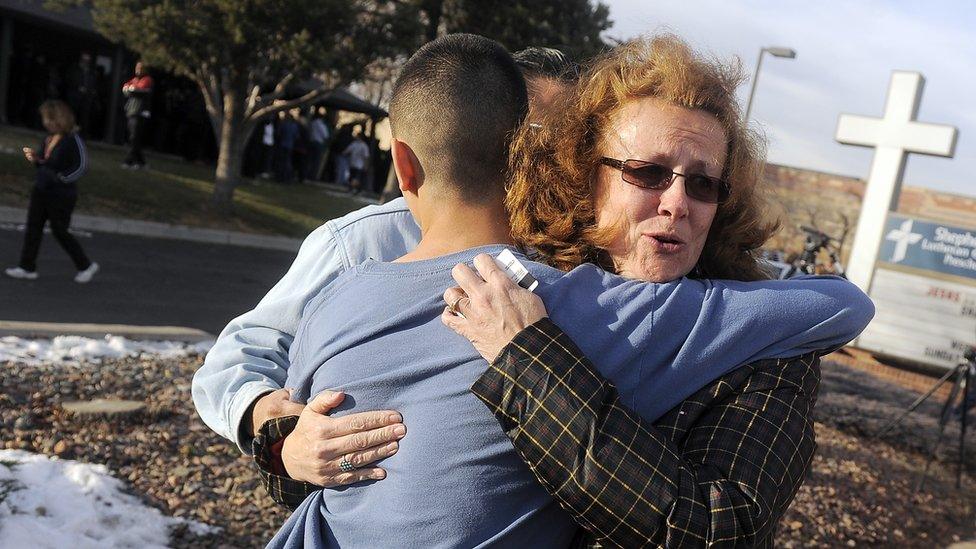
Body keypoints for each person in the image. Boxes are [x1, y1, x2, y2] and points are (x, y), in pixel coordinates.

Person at [191, 36, 868, 546]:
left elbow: (713, 528)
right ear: (585, 170)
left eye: (704, 183)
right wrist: (282, 444)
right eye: (648, 172)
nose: (676, 203)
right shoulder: (471, 266)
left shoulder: (762, 345)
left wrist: (530, 360)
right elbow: (338, 436)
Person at [5, 100, 99, 284]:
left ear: (60, 119)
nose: (46, 123)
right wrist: (36, 159)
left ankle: (85, 264)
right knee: (34, 227)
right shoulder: (49, 138)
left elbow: (81, 166)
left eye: (49, 119)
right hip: (42, 189)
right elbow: (45, 161)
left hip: (61, 194)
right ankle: (27, 266)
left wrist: (62, 178)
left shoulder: (73, 140)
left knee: (59, 230)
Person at [121, 61, 153, 169]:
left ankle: (129, 161)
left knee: (134, 138)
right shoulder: (135, 79)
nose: (137, 70)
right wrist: (130, 88)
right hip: (131, 110)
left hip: (140, 112)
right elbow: (126, 87)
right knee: (134, 138)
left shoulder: (147, 79)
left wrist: (131, 89)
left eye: (140, 68)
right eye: (137, 68)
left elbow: (138, 89)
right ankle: (141, 162)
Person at [303, 110, 331, 183]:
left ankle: (305, 174)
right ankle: (312, 177)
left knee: (309, 160)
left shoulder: (312, 123)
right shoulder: (321, 125)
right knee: (316, 161)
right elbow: (325, 135)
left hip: (311, 142)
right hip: (318, 143)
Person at [342, 129, 369, 195]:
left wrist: (365, 165)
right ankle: (353, 189)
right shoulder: (354, 144)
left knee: (355, 178)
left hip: (359, 165)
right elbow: (347, 151)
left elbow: (366, 156)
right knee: (352, 177)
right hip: (353, 164)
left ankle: (354, 189)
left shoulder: (363, 146)